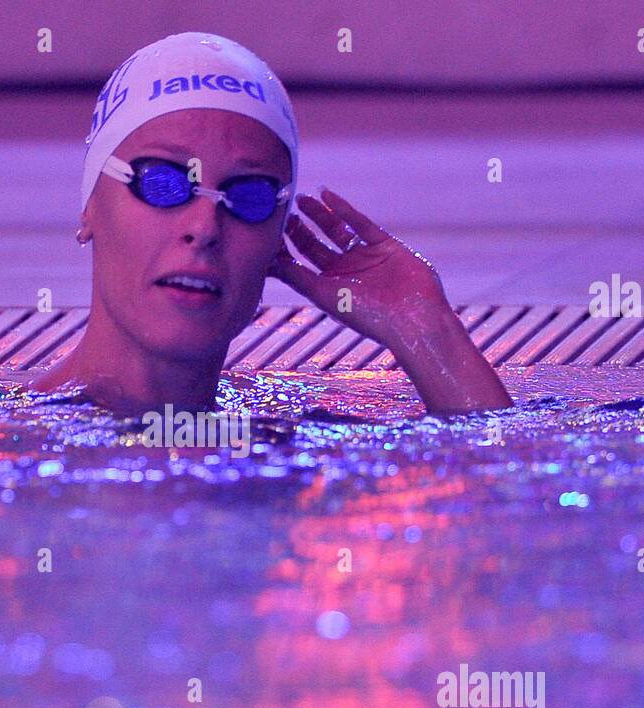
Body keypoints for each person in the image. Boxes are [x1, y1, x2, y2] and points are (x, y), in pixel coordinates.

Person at [32, 32, 512, 418]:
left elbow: (503, 502)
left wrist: (427, 333)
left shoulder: (284, 426)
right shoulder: (4, 442)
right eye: (164, 183)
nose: (205, 226)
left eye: (250, 196)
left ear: (277, 233)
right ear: (91, 204)